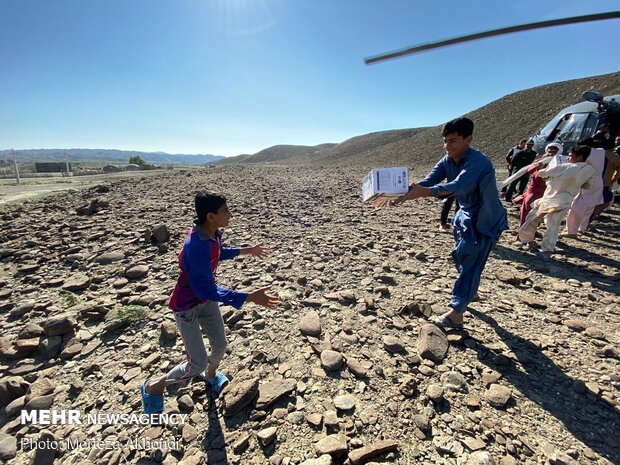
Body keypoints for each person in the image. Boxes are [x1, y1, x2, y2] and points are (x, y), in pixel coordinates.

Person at [141, 192, 280, 414]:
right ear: (210, 216)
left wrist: (248, 250)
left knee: (220, 345)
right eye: (225, 211)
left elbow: (217, 253)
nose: (230, 215)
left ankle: (211, 376)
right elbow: (204, 287)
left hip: (207, 301)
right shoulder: (195, 245)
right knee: (197, 364)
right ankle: (154, 386)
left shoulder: (211, 233)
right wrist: (249, 296)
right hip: (187, 306)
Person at [376, 117, 508, 329]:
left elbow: (459, 185)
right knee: (460, 257)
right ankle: (470, 290)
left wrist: (425, 192)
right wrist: (399, 193)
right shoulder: (447, 160)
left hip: (485, 219)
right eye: (445, 141)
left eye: (453, 141)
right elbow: (428, 182)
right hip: (464, 217)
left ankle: (456, 313)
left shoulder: (478, 161)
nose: (448, 146)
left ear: (468, 139)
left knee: (471, 263)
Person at [518, 145, 595, 259]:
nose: (568, 158)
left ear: (579, 157)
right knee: (553, 225)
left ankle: (529, 241)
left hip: (550, 199)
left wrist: (539, 167)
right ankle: (546, 251)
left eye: (570, 156)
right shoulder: (589, 170)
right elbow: (588, 185)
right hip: (565, 201)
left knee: (533, 219)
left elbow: (543, 173)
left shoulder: (565, 167)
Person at [564, 139, 606, 236]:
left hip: (587, 181)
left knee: (575, 207)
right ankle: (581, 228)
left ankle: (571, 231)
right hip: (598, 182)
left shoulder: (588, 154)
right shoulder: (600, 152)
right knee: (589, 208)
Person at [517, 142, 563, 228]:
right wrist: (538, 167)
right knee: (527, 211)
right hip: (535, 190)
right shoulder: (541, 160)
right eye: (549, 152)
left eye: (554, 152)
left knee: (539, 214)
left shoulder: (561, 163)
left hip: (548, 191)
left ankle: (532, 231)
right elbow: (530, 170)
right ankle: (522, 233)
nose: (551, 154)